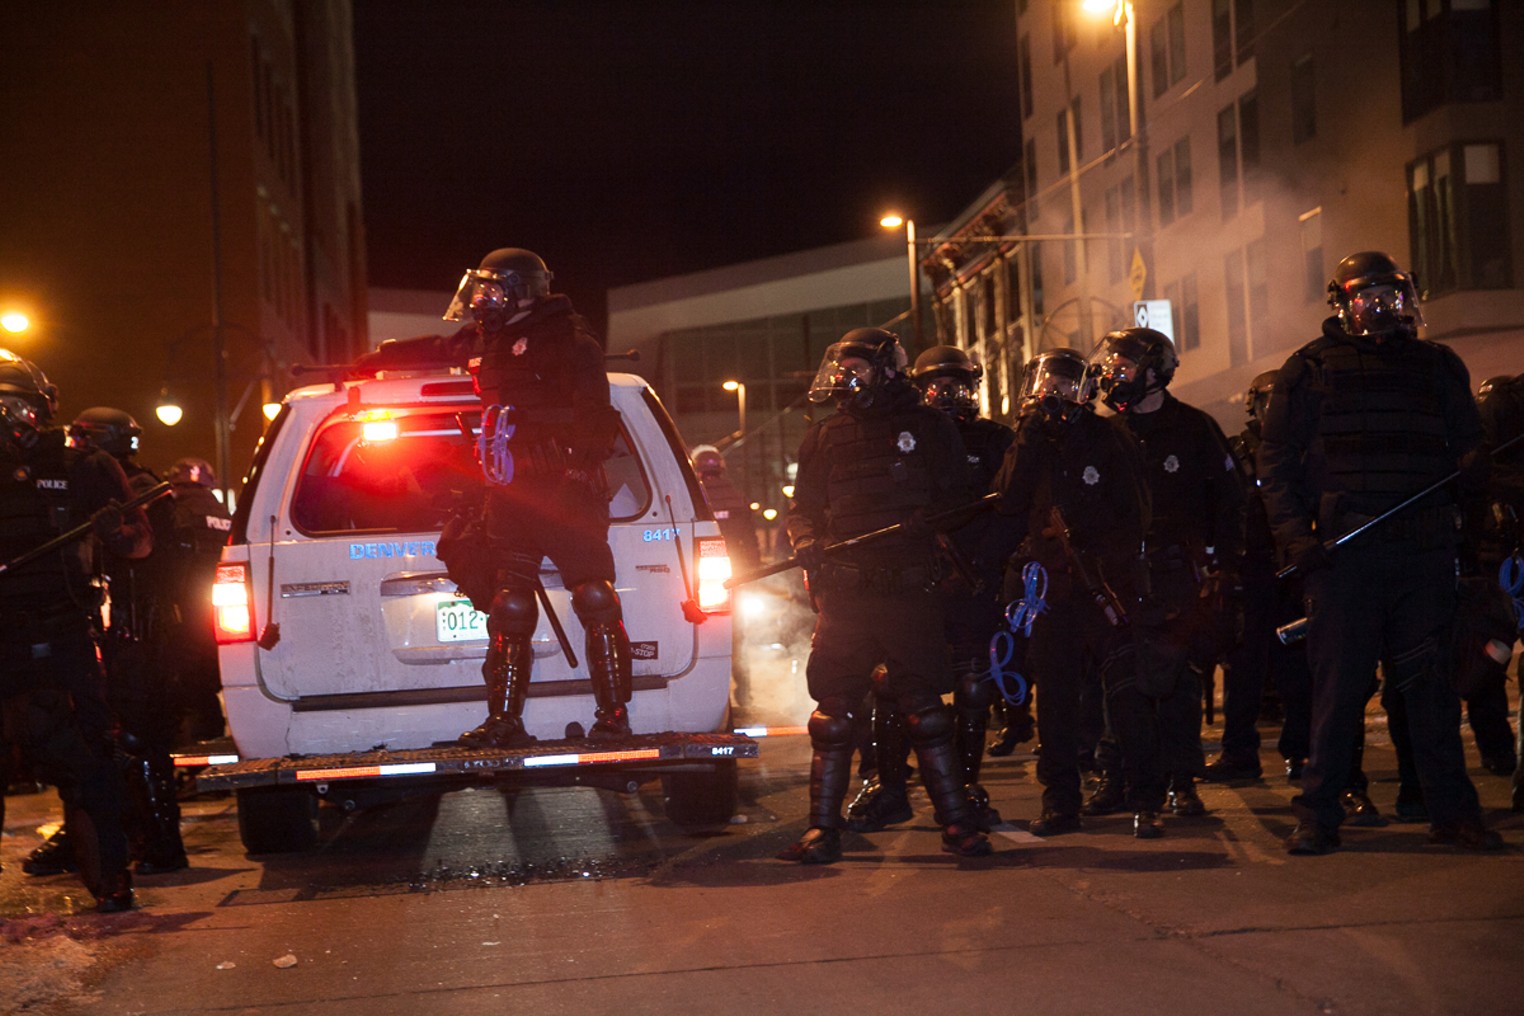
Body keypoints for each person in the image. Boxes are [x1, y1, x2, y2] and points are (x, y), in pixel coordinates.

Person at [1258, 250, 1502, 854]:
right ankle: (1318, 815)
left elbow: (1468, 449)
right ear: (1345, 303)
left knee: (1431, 690)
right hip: (1347, 558)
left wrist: (1473, 477)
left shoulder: (1439, 366)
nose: (1386, 309)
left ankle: (1452, 812)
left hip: (1423, 553)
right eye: (1371, 298)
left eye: (1394, 297)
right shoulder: (1308, 371)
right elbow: (1277, 467)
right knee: (1339, 692)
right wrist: (1298, 539)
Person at [358, 248, 632, 747]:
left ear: (522, 290)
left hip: (565, 489)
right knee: (509, 605)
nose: (482, 300)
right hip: (511, 488)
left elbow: (597, 416)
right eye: (479, 289)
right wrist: (374, 360)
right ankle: (505, 722)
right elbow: (439, 349)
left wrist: (576, 469)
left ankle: (612, 717)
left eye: (493, 289)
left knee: (593, 595)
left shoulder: (570, 339)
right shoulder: (490, 338)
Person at [780, 327, 990, 862]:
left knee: (926, 710)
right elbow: (801, 507)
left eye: (860, 368)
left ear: (887, 370)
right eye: (842, 368)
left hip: (906, 589)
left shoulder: (931, 426)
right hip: (847, 593)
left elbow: (962, 500)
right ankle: (821, 831)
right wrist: (805, 541)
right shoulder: (824, 436)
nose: (848, 378)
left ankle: (958, 826)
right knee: (832, 716)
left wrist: (931, 520)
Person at [845, 345, 1017, 833]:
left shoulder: (994, 440)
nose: (945, 395)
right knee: (893, 684)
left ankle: (965, 786)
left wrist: (985, 562)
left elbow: (1010, 507)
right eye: (934, 384)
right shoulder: (906, 433)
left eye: (956, 384)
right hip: (912, 581)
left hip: (971, 583)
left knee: (971, 688)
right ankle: (887, 785)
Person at [0, 351, 149, 911]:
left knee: (90, 762)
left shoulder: (84, 468)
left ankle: (110, 878)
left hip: (64, 634)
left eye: (16, 406)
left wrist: (116, 530)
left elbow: (140, 545)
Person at [991, 349, 1155, 837]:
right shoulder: (1030, 441)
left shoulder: (1108, 438)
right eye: (1047, 384)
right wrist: (1027, 439)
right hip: (1050, 591)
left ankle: (1144, 799)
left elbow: (1136, 512)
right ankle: (1060, 800)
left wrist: (1102, 553)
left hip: (1105, 585)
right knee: (1056, 700)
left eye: (1064, 384)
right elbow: (1007, 499)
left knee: (1127, 696)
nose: (1053, 393)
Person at [1088, 327, 1248, 820]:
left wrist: (1223, 564)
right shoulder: (1103, 433)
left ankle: (1182, 781)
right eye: (1111, 365)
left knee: (1180, 681)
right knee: (1118, 682)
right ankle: (1118, 778)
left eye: (1126, 366)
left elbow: (1230, 499)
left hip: (1178, 574)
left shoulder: (1194, 428)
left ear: (1157, 372)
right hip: (1120, 577)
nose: (1113, 375)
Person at [691, 445, 759, 571]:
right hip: (735, 559)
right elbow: (750, 537)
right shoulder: (738, 497)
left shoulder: (692, 499)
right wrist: (754, 564)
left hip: (701, 560)